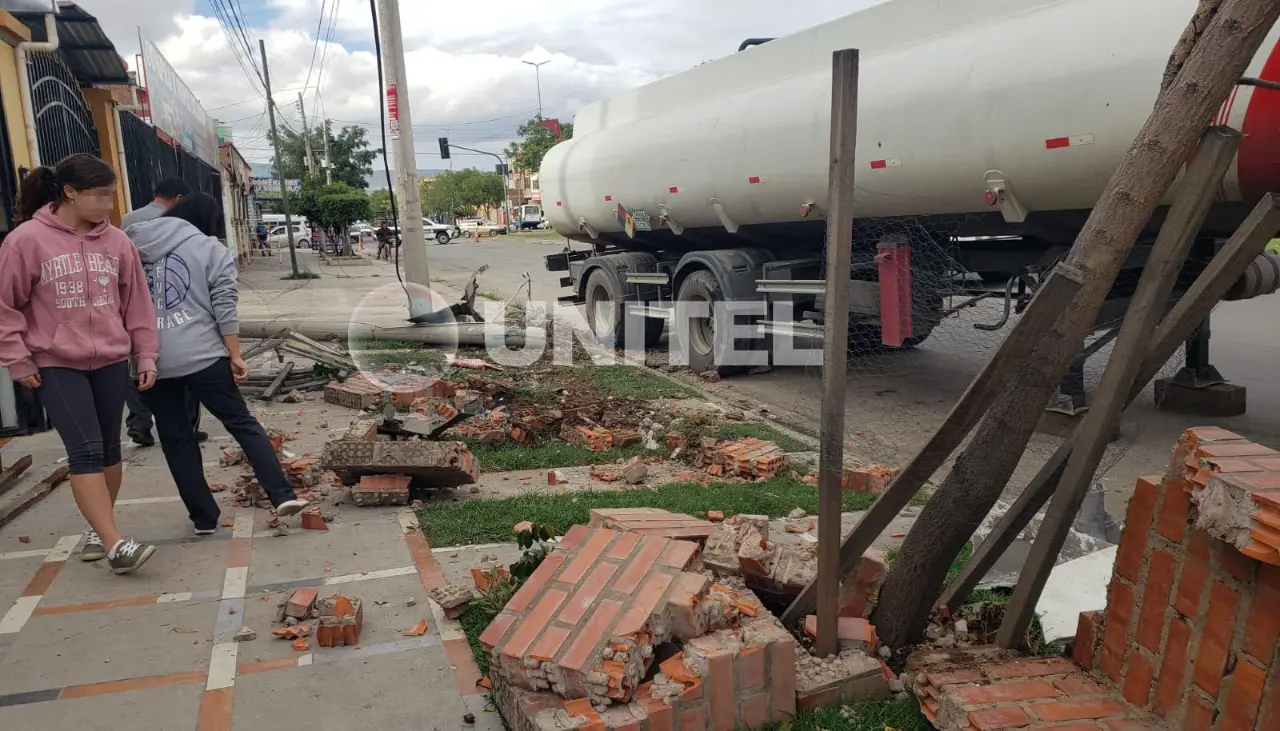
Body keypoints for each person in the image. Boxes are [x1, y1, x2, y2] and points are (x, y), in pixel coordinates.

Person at [0, 154, 161, 573]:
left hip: (110, 359)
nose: (109, 204)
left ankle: (99, 528)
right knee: (84, 449)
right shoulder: (26, 241)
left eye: (111, 195)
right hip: (55, 362)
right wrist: (17, 359)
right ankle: (115, 545)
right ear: (70, 193)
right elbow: (5, 306)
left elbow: (137, 304)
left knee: (108, 449)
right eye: (101, 195)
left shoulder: (117, 243)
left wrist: (145, 353)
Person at [128, 193, 309, 533]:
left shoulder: (131, 245)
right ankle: (281, 495)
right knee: (242, 424)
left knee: (175, 437)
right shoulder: (212, 250)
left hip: (150, 359)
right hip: (203, 355)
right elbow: (224, 306)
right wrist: (235, 354)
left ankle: (203, 518)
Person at [121, 177, 203, 447]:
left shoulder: (128, 221)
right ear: (178, 199)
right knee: (186, 366)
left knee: (138, 363)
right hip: (175, 298)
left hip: (136, 302)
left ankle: (139, 422)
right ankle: (187, 425)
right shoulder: (182, 221)